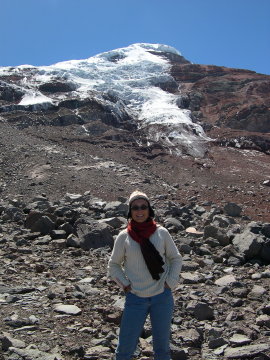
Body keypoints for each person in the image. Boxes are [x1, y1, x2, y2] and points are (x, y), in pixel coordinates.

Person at [108, 190, 182, 360]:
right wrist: (125, 285)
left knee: (162, 349)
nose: (139, 211)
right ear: (130, 211)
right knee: (124, 349)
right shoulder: (124, 237)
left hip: (162, 297)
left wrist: (170, 282)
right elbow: (113, 265)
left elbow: (175, 259)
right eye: (135, 207)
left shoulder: (161, 233)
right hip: (136, 298)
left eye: (143, 207)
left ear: (149, 209)